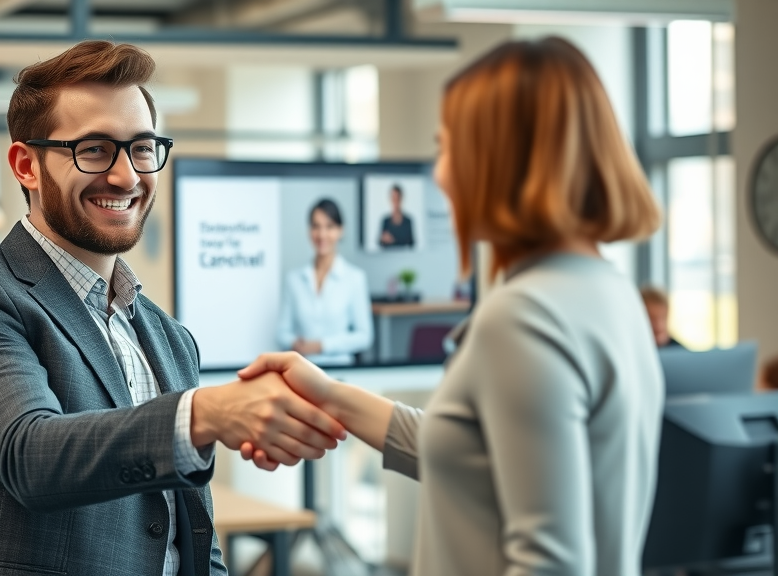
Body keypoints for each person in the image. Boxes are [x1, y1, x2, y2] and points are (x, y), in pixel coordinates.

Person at [0, 41, 345, 576]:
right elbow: (31, 456)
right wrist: (205, 414)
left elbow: (191, 539)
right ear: (26, 164)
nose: (126, 176)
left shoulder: (167, 335)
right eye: (93, 150)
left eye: (141, 148)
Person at [240, 37, 664, 575]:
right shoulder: (607, 291)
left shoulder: (525, 317)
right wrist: (332, 395)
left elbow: (550, 562)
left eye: (448, 149)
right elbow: (477, 455)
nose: (439, 175)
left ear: (502, 160)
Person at [276, 199, 373, 366]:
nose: (322, 235)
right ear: (309, 230)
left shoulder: (355, 278)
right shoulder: (294, 279)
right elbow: (281, 333)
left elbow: (364, 337)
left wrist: (321, 346)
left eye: (329, 227)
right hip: (302, 372)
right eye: (316, 226)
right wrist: (295, 343)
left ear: (340, 231)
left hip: (341, 374)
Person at [378, 184, 415, 248]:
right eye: (393, 198)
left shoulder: (408, 221)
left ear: (401, 199)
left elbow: (412, 244)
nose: (395, 201)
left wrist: (393, 241)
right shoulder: (385, 221)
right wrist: (383, 239)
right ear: (390, 199)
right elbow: (380, 243)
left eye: (397, 198)